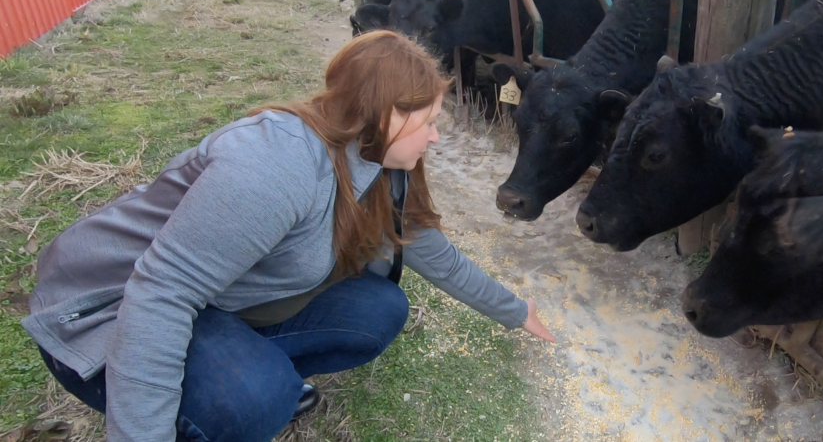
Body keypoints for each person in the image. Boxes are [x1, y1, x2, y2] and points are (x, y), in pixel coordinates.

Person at [21, 30, 555, 442]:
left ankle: (243, 366)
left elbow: (429, 250)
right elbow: (159, 296)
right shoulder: (275, 167)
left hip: (213, 295)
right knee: (255, 399)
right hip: (107, 307)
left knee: (379, 309)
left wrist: (514, 309)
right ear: (384, 114)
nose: (436, 136)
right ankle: (226, 394)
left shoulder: (378, 158)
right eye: (430, 121)